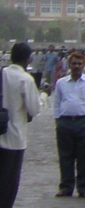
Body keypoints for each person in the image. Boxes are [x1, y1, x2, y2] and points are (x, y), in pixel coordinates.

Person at [53, 50, 85, 197]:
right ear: (69, 64)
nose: (77, 66)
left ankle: (84, 188)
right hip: (65, 122)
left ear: (84, 64)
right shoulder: (61, 83)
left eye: (80, 63)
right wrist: (57, 121)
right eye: (74, 63)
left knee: (84, 157)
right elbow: (57, 103)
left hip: (84, 121)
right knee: (65, 156)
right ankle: (66, 187)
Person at [0, 42, 41, 208]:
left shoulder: (2, 74)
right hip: (14, 137)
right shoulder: (25, 79)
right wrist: (44, 96)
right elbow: (34, 108)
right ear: (28, 59)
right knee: (8, 184)